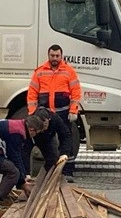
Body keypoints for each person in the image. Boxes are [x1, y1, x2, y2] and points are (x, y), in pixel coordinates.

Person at [26, 44, 81, 181]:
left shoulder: (69, 71)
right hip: (45, 116)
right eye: (52, 55)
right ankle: (49, 168)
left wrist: (73, 111)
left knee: (66, 139)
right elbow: (32, 93)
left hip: (63, 113)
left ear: (61, 56)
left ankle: (67, 171)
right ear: (48, 55)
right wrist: (33, 112)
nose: (55, 58)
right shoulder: (39, 72)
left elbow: (76, 92)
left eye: (57, 56)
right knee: (45, 141)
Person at [0, 113, 48, 209]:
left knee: (11, 169)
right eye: (37, 133)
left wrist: (23, 177)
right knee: (13, 172)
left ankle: (2, 193)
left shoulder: (19, 125)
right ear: (32, 130)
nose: (35, 136)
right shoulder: (16, 133)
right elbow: (14, 157)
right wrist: (22, 182)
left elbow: (18, 156)